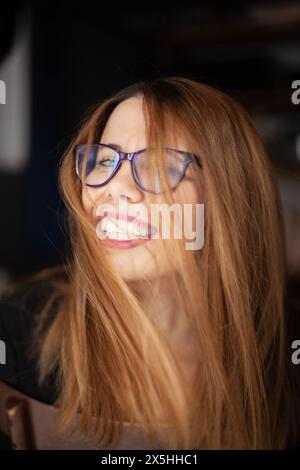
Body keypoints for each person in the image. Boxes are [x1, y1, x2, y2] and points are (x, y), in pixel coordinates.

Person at [0, 76, 299, 450]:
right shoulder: (15, 336)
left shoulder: (285, 353)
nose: (114, 187)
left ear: (230, 199)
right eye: (105, 160)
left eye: (160, 165)